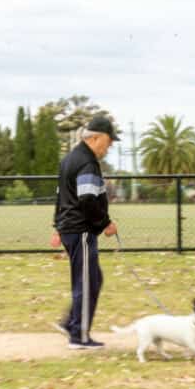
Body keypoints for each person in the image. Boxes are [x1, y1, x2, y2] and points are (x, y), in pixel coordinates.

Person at [51, 116, 119, 349]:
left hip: (70, 228)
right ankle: (78, 336)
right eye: (109, 142)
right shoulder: (86, 162)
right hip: (80, 229)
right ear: (96, 137)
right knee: (87, 281)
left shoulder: (70, 159)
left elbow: (60, 197)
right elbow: (88, 200)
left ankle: (71, 323)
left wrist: (57, 226)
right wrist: (105, 223)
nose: (109, 147)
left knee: (92, 279)